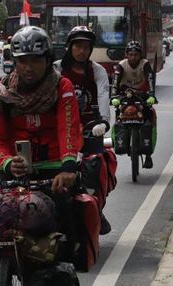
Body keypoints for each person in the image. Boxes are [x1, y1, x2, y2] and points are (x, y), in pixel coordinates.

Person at [0, 25, 82, 194]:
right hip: (10, 171)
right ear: (15, 62)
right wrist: (8, 162)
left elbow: (67, 128)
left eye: (35, 61)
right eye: (22, 61)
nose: (28, 68)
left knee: (79, 211)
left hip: (55, 167)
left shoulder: (62, 86)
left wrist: (68, 168)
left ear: (48, 60)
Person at [53, 26, 114, 235]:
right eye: (78, 46)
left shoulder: (98, 71)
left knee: (94, 168)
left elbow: (104, 95)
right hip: (61, 130)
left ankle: (96, 206)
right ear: (69, 47)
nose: (82, 51)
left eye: (86, 47)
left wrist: (104, 122)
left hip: (90, 129)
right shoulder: (56, 69)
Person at [112, 40, 157, 169]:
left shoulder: (145, 64)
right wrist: (113, 97)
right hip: (124, 93)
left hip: (141, 94)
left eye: (136, 54)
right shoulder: (121, 65)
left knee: (149, 114)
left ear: (140, 55)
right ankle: (121, 141)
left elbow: (150, 79)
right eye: (130, 54)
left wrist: (152, 95)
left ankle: (148, 155)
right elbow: (115, 83)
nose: (133, 57)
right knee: (118, 114)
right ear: (126, 54)